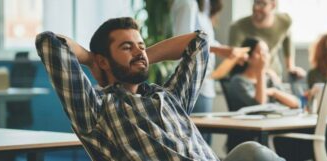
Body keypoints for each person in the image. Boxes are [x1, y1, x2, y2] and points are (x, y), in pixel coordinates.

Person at [35, 17, 284, 161]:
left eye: (141, 45)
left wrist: (140, 57)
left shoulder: (169, 95)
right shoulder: (96, 109)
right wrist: (93, 60)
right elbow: (49, 43)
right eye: (126, 47)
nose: (138, 51)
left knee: (252, 151)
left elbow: (199, 42)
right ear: (103, 60)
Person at [170, 0, 250, 144]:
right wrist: (222, 50)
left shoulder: (204, 6)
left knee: (205, 142)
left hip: (206, 84)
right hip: (192, 83)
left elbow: (207, 41)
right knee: (194, 142)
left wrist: (228, 52)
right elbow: (183, 43)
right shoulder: (187, 4)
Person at [226, 37, 299, 151]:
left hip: (275, 131)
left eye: (266, 52)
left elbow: (296, 103)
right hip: (250, 138)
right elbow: (259, 105)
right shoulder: (238, 81)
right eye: (260, 52)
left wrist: (274, 92)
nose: (264, 56)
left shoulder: (269, 78)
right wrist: (261, 71)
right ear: (248, 58)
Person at [228, 0, 305, 80]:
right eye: (255, 2)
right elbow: (234, 58)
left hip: (275, 75)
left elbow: (287, 37)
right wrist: (264, 71)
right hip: (248, 78)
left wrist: (290, 66)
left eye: (262, 4)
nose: (256, 7)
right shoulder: (238, 27)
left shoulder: (285, 21)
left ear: (273, 5)